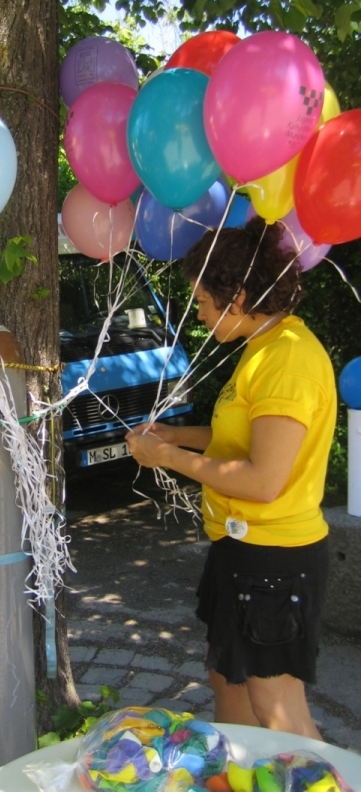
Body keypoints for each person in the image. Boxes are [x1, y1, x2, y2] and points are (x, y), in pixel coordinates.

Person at [126, 217, 336, 739]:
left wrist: (167, 460)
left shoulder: (287, 360)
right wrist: (175, 437)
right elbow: (240, 441)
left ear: (237, 297)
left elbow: (264, 479)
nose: (198, 312)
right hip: (243, 551)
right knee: (229, 683)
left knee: (277, 707)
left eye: (201, 300)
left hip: (274, 560)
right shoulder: (263, 347)